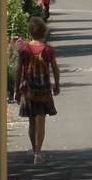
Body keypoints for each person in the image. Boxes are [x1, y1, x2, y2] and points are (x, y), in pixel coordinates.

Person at [15, 17, 60, 164]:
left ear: (30, 33)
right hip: (44, 91)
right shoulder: (48, 50)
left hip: (28, 91)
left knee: (31, 121)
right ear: (43, 33)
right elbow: (55, 68)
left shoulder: (25, 50)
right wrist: (57, 85)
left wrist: (16, 89)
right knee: (41, 121)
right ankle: (38, 154)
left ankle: (34, 150)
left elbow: (18, 70)